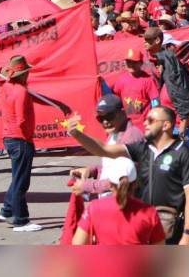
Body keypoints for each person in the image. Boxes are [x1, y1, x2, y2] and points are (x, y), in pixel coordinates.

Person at [67, 105, 189, 245]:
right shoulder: (143, 148)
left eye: (151, 120)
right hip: (141, 222)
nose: (145, 123)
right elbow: (104, 150)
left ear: (166, 125)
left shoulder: (185, 154)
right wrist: (77, 134)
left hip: (170, 227)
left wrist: (188, 233)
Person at [62, 94, 145, 244]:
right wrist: (92, 170)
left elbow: (123, 179)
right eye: (101, 118)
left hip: (124, 210)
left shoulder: (130, 137)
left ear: (122, 112)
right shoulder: (115, 133)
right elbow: (111, 163)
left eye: (110, 116)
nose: (105, 122)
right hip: (111, 205)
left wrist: (87, 186)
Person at [0, 56, 50, 232]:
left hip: (10, 138)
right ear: (23, 74)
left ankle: (7, 209)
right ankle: (20, 220)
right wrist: (28, 137)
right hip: (20, 139)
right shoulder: (20, 91)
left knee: (18, 178)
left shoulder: (6, 87)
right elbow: (21, 119)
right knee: (22, 181)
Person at [72, 157, 166, 245]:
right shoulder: (149, 212)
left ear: (110, 184)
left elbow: (78, 244)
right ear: (135, 184)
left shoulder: (93, 208)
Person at [110, 46, 159, 128]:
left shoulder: (148, 80)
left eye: (134, 62)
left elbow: (155, 102)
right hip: (126, 125)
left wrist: (153, 120)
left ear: (141, 63)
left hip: (144, 125)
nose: (131, 64)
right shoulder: (121, 80)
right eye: (128, 61)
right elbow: (115, 101)